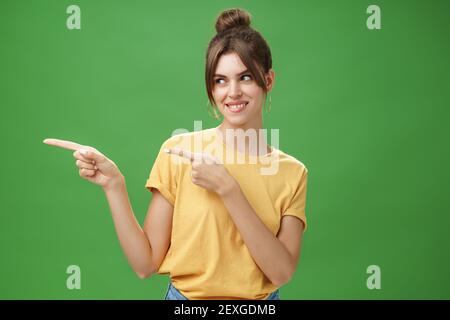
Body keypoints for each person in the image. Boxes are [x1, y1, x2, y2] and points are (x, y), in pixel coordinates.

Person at [43, 7, 308, 300]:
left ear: (267, 80)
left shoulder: (292, 172)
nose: (232, 92)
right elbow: (146, 264)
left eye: (245, 77)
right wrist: (114, 186)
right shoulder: (180, 152)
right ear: (211, 87)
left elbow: (281, 273)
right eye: (220, 80)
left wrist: (228, 188)